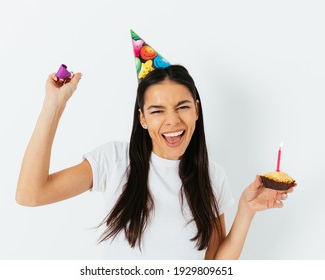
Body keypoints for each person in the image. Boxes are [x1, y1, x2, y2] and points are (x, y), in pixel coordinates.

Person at [16, 32, 295, 260]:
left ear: (196, 110)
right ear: (143, 118)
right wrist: (53, 106)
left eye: (182, 106)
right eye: (158, 110)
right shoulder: (114, 161)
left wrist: (246, 211)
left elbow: (213, 269)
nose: (172, 121)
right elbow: (31, 194)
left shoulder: (212, 177)